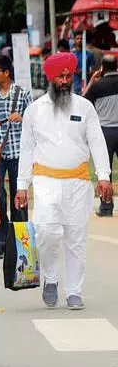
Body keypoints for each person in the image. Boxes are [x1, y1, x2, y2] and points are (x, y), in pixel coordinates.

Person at [16, 53, 112, 310]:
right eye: (61, 76)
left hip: (79, 183)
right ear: (50, 78)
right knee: (47, 232)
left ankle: (73, 291)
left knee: (76, 238)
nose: (65, 81)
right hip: (46, 181)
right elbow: (26, 149)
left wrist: (104, 176)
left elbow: (97, 142)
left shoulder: (85, 107)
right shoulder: (34, 111)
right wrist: (21, 186)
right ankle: (50, 277)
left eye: (69, 76)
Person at [0, 54, 34, 259]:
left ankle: (22, 241)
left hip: (18, 151)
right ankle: (0, 242)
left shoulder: (22, 93)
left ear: (6, 73)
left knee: (18, 198)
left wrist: (22, 117)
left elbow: (33, 117)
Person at [83, 54, 118, 217]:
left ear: (102, 68)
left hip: (104, 132)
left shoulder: (97, 87)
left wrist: (92, 81)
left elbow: (82, 103)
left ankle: (106, 207)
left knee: (105, 170)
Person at [72, 30, 96, 95]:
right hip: (75, 87)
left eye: (81, 38)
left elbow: (93, 70)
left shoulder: (89, 55)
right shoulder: (72, 55)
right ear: (74, 40)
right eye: (77, 38)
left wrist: (85, 73)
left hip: (87, 86)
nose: (80, 40)